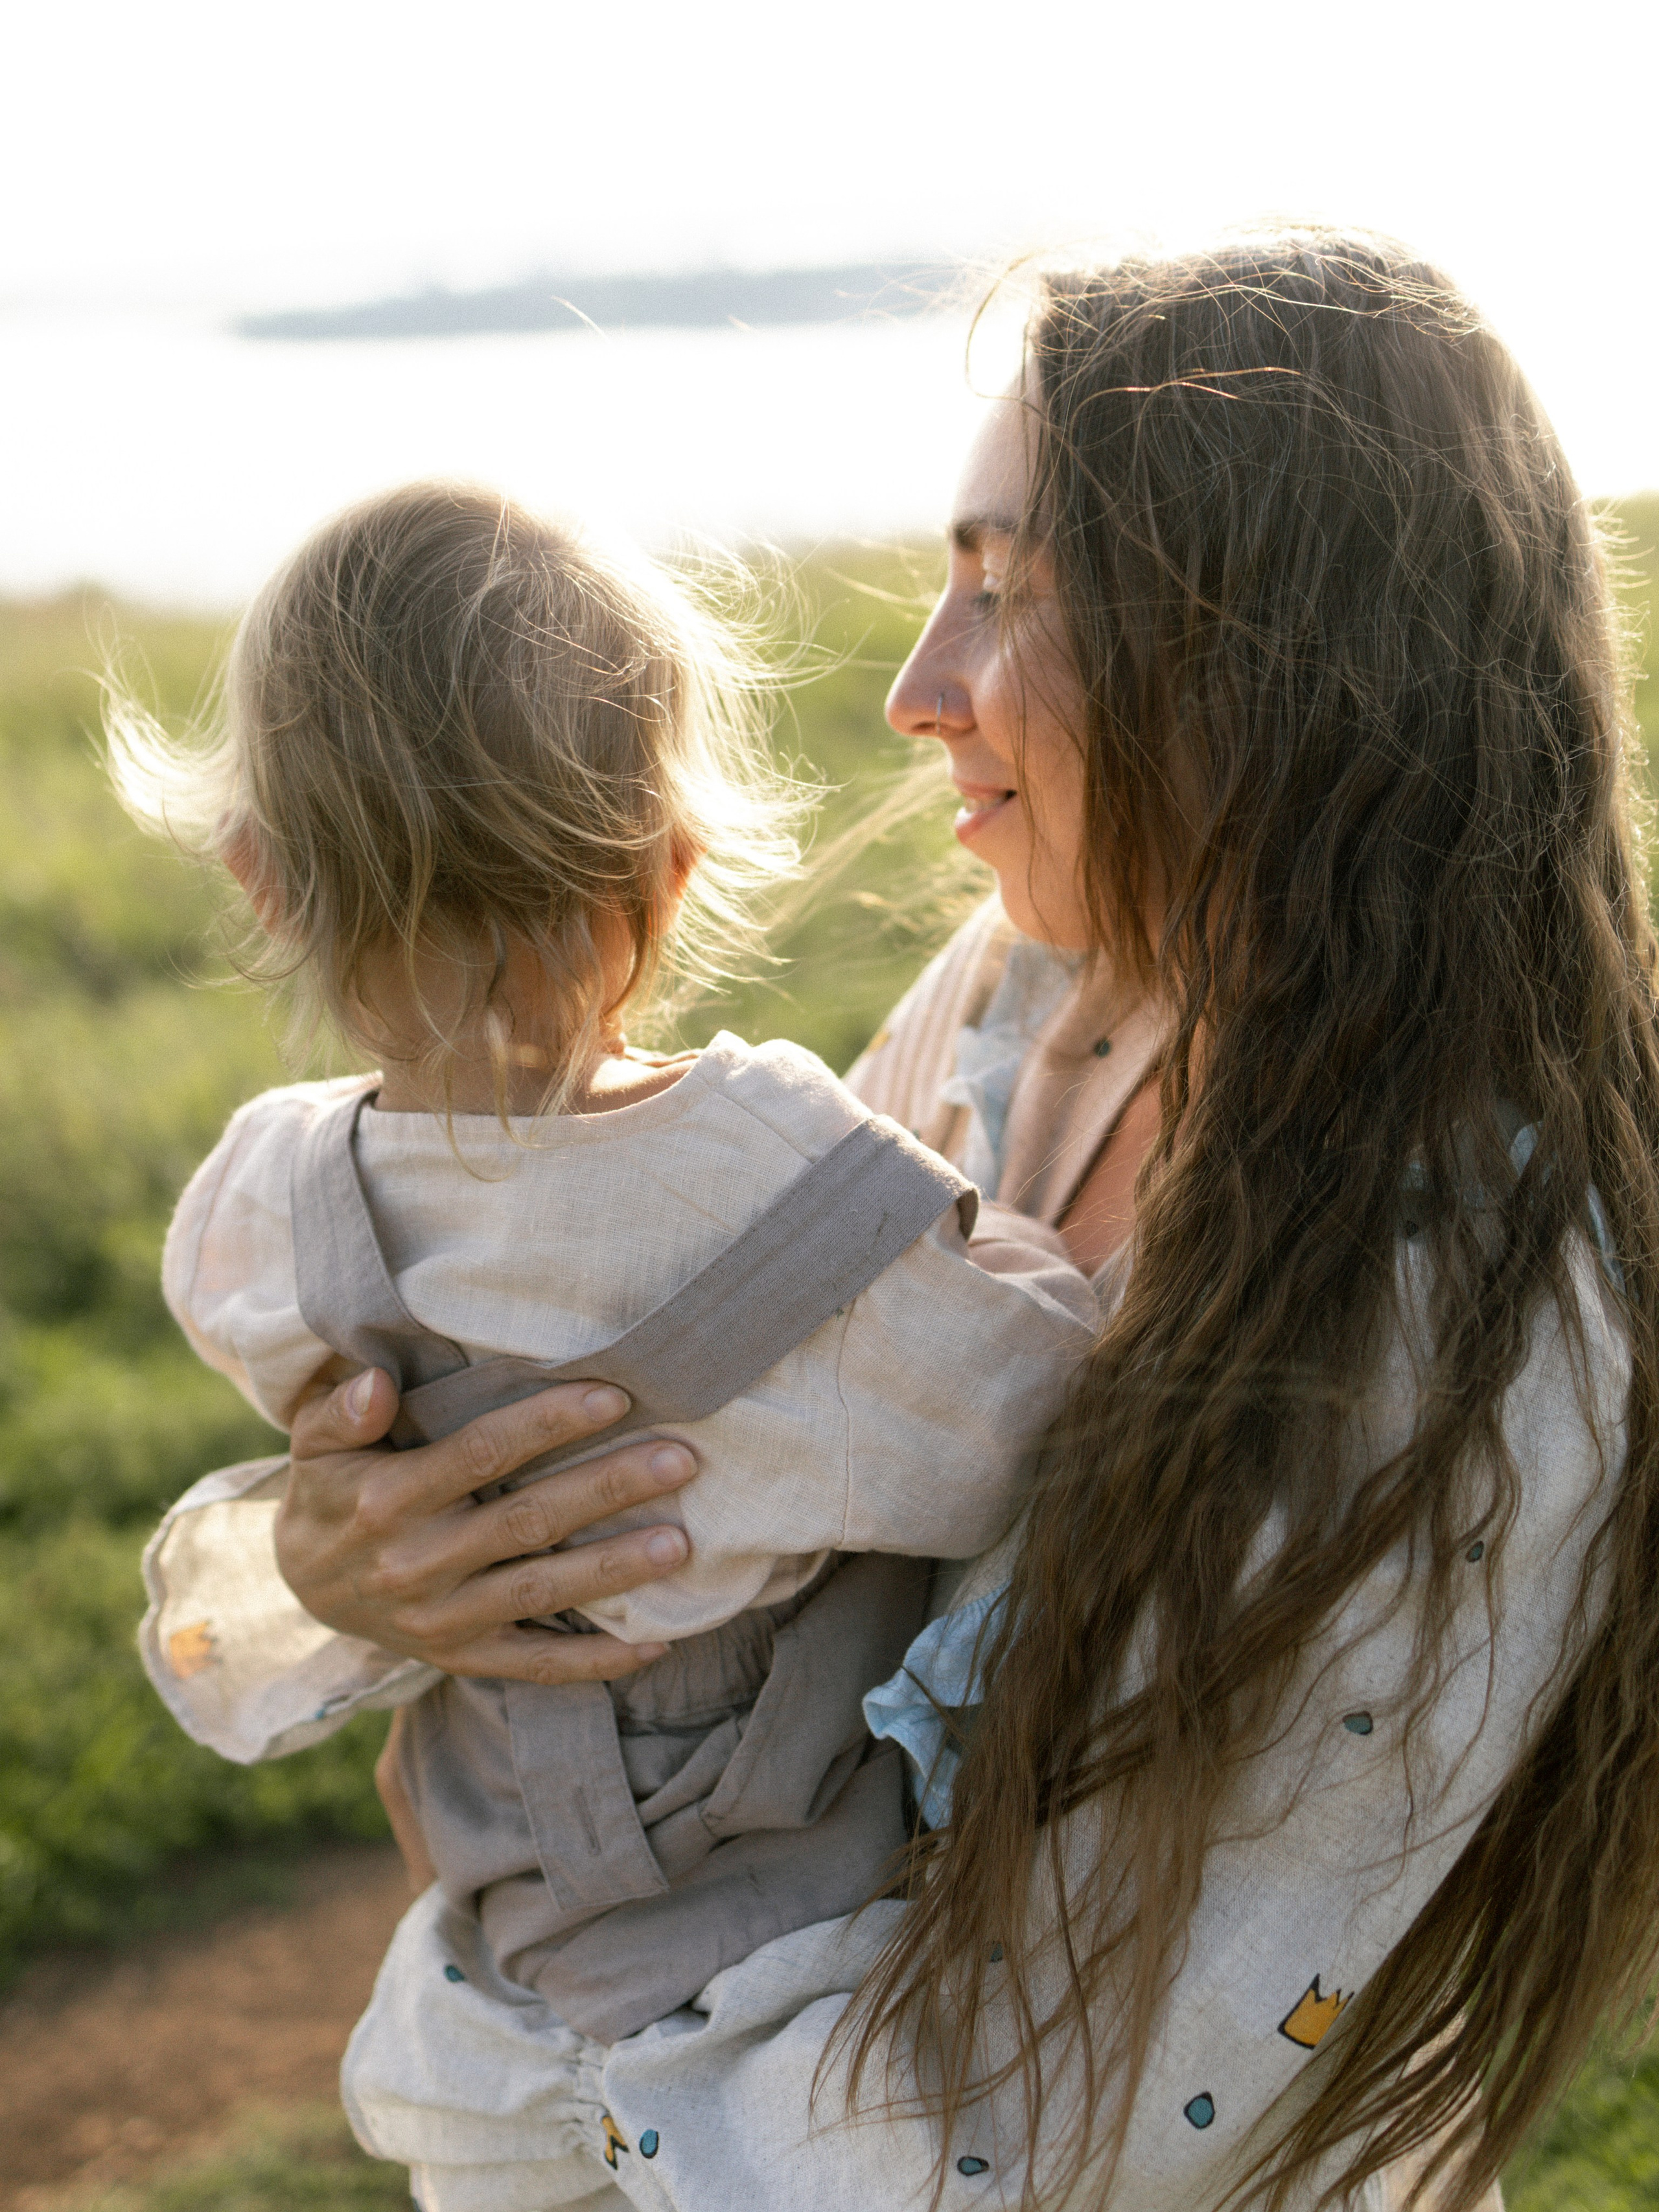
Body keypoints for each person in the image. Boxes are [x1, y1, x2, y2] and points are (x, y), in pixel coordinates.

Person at [152, 229, 1659, 2211]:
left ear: (1270, 652)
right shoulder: (1014, 1002)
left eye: (1008, 594)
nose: (913, 689)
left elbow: (1075, 2120)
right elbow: (687, 1453)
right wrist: (318, 1573)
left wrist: (556, 2086)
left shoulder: (1479, 1329)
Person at [115, 483, 1095, 2209]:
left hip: (488, 2007)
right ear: (675, 862)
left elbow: (258, 1345)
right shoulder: (785, 1179)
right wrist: (1000, 1243)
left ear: (263, 885)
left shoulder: (268, 1201)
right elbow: (1031, 1404)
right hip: (788, 2004)